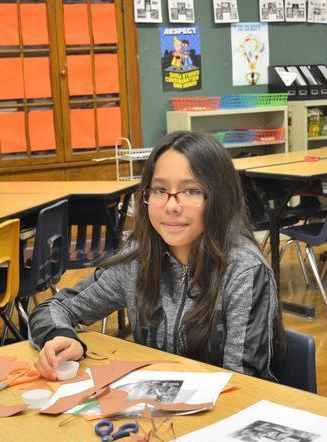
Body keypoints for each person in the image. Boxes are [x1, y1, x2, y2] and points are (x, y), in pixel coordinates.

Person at [29, 130, 284, 381]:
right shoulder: (137, 260)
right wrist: (61, 337)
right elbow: (54, 307)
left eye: (191, 191)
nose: (171, 206)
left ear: (220, 198)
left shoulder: (244, 271)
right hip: (152, 402)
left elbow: (245, 383)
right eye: (160, 190)